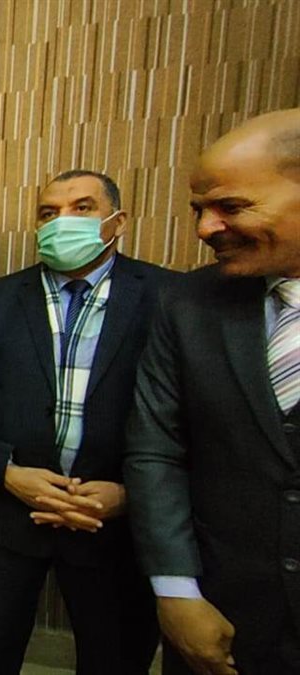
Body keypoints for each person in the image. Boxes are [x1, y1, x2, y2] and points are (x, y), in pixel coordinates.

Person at [0, 170, 172, 674]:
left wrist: (130, 493)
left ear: (117, 222)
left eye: (82, 208)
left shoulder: (168, 297)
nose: (63, 221)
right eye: (49, 213)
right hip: (7, 515)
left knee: (113, 659)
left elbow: (193, 417)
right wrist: (7, 472)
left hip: (112, 522)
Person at [125, 108, 300, 675]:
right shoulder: (187, 302)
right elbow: (157, 448)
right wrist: (175, 589)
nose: (205, 229)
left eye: (232, 207)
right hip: (220, 620)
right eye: (199, 209)